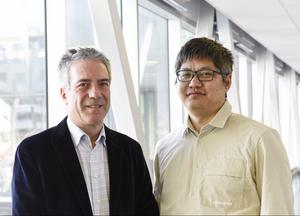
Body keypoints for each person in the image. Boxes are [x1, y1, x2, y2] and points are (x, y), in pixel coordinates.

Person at [153, 37, 294, 215]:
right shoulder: (165, 148)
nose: (194, 83)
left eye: (205, 74)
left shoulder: (260, 139)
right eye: (186, 74)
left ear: (227, 81)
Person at [12, 47, 159, 215]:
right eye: (83, 84)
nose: (95, 93)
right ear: (64, 94)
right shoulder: (33, 153)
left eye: (103, 83)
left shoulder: (130, 151)